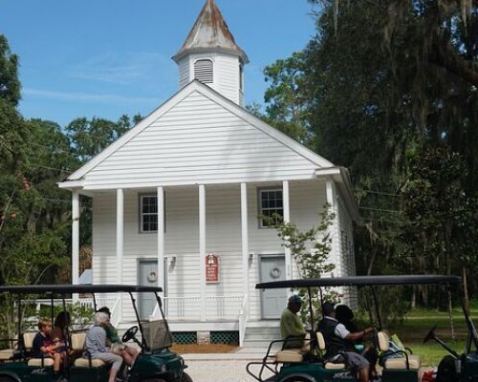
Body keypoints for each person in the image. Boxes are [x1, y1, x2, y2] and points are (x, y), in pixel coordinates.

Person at [317, 302, 372, 382]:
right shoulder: (336, 325)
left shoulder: (321, 324)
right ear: (333, 312)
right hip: (339, 354)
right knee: (364, 363)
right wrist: (366, 330)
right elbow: (351, 337)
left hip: (329, 354)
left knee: (364, 355)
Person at [85, 312, 123, 382]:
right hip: (94, 354)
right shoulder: (100, 331)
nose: (109, 322)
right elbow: (102, 349)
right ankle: (111, 379)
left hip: (91, 352)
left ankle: (111, 376)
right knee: (119, 358)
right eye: (107, 320)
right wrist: (113, 350)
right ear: (102, 321)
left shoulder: (93, 328)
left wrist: (112, 349)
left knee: (117, 354)